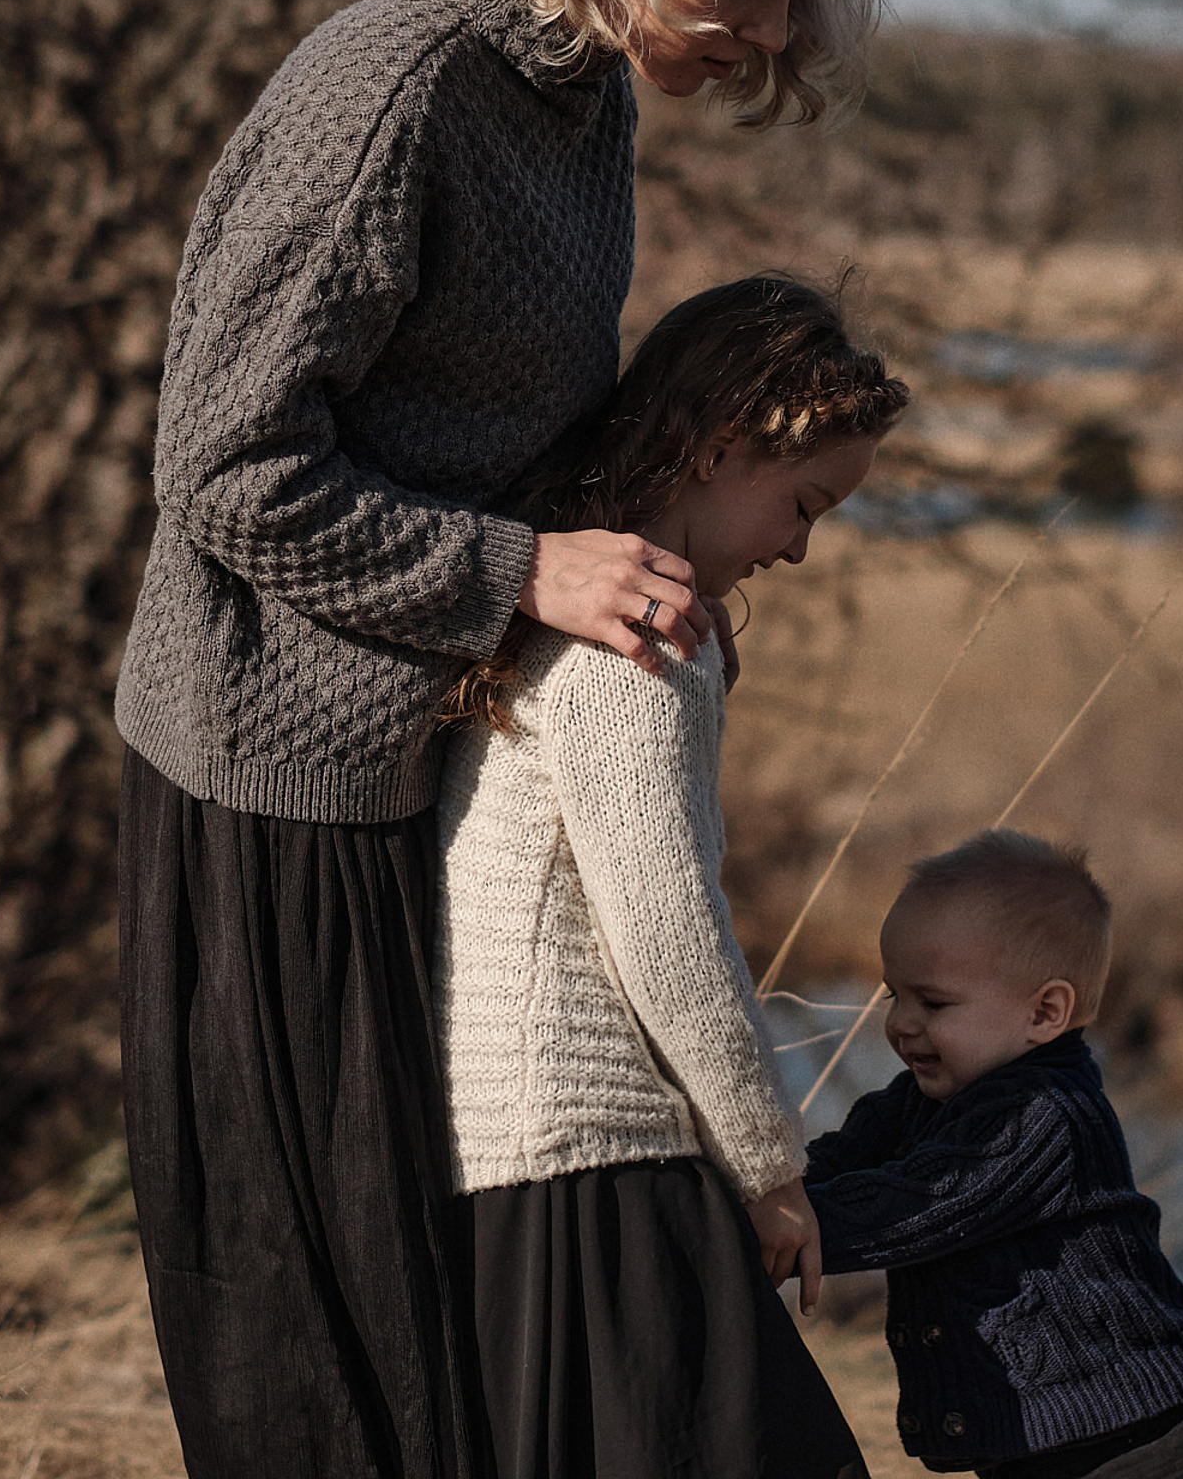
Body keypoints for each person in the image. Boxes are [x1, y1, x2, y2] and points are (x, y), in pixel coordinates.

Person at [113, 0, 886, 1479]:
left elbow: (505, 433)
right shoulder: (398, 92)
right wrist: (523, 569)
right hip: (261, 781)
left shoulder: (580, 109)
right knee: (319, 1352)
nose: (773, 31)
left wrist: (647, 592)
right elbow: (223, 468)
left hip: (398, 762)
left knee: (429, 1339)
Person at [435, 275, 909, 1479]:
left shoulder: (570, 599)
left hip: (519, 1155)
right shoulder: (634, 642)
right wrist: (768, 1168)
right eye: (803, 503)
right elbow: (666, 925)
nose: (800, 548)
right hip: (582, 1151)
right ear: (715, 450)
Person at [803, 831, 1183, 1479]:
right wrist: (751, 1202)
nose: (900, 1023)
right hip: (1035, 1450)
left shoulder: (1044, 1114)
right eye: (891, 995)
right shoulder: (917, 1100)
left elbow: (919, 1201)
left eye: (932, 1002)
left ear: (1045, 1012)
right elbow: (828, 1168)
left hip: (1146, 1446)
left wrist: (799, 1226)